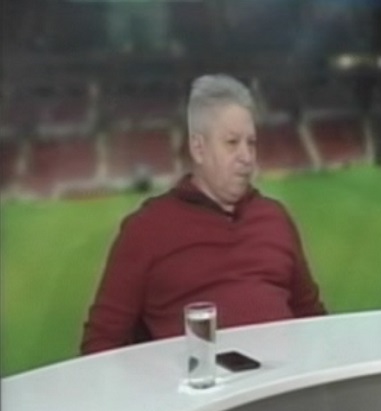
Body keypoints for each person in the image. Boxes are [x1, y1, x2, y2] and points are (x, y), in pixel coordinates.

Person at [81, 74, 325, 354]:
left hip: (285, 378)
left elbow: (312, 319)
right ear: (199, 148)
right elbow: (101, 344)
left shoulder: (275, 218)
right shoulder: (147, 230)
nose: (246, 156)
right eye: (232, 142)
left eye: (251, 143)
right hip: (199, 381)